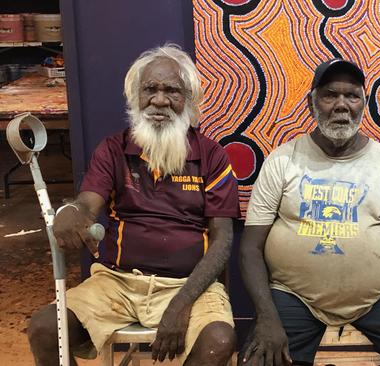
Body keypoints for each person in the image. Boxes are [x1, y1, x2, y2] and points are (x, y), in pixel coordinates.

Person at [27, 44, 240, 366]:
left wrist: (181, 303)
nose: (159, 100)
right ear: (134, 96)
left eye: (172, 90)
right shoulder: (113, 149)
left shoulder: (211, 155)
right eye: (150, 89)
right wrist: (71, 213)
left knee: (219, 342)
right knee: (44, 328)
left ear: (190, 101)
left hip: (189, 285)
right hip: (117, 282)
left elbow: (222, 239)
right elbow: (87, 204)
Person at [238, 58, 380, 366]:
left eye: (351, 95)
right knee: (256, 363)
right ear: (311, 102)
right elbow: (250, 248)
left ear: (363, 103)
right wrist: (266, 317)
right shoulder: (283, 160)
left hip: (379, 296)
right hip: (295, 296)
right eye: (329, 95)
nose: (341, 105)